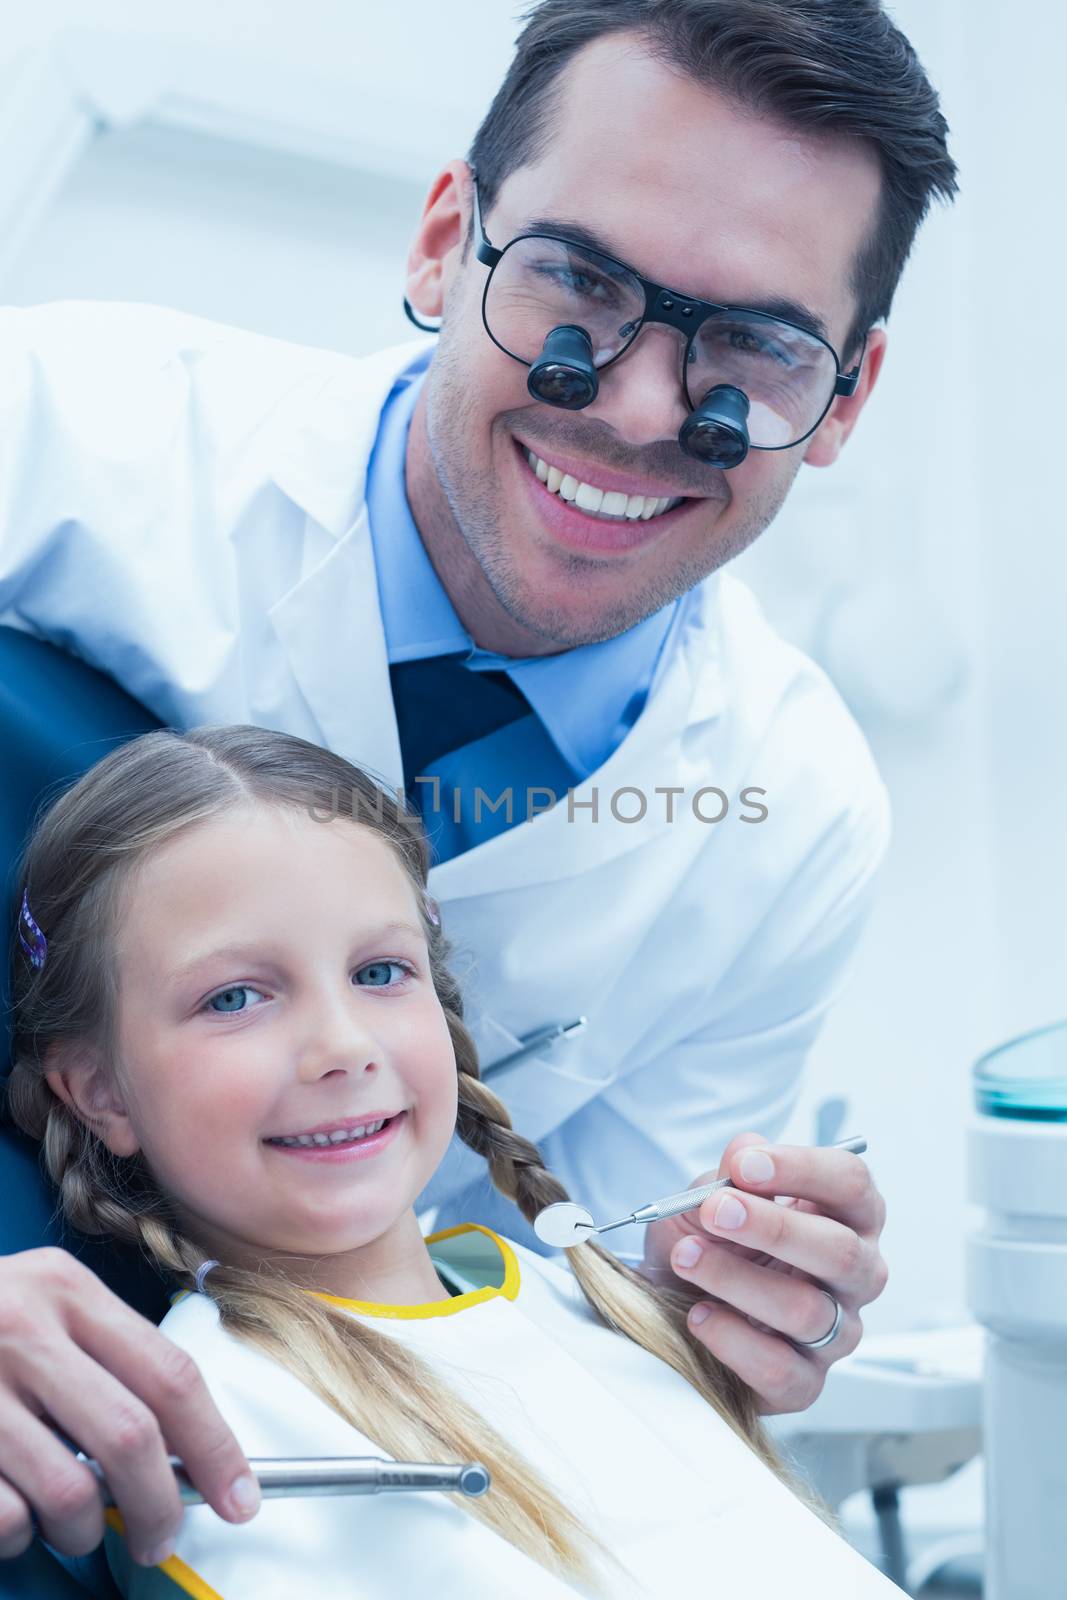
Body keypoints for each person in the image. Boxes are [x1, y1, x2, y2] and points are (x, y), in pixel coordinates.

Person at [0, 0, 957, 1569]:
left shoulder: (786, 821)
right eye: (578, 283)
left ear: (841, 399)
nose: (642, 411)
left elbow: (588, 1300)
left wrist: (740, 1308)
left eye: (753, 347)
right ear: (448, 243)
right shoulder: (56, 440)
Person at [5, 723, 902, 1597]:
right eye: (235, 996)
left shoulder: (601, 1305)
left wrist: (682, 1334)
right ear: (99, 1092)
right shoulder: (216, 1427)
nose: (343, 1045)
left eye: (381, 973)